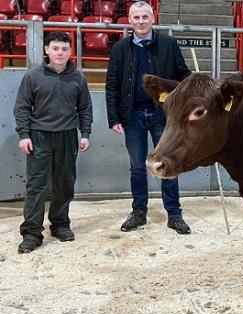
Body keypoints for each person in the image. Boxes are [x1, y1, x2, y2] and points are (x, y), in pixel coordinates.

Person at [106, 1, 192, 234]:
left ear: (152, 18)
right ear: (130, 21)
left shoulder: (169, 44)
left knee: (168, 165)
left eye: (145, 17)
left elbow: (183, 74)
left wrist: (195, 84)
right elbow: (112, 84)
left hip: (162, 116)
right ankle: (138, 212)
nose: (141, 21)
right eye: (136, 18)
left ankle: (174, 215)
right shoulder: (120, 48)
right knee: (137, 167)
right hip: (132, 115)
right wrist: (113, 117)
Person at [13, 32, 93, 254]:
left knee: (64, 184)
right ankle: (31, 233)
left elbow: (85, 108)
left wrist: (85, 133)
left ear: (70, 51)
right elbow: (21, 108)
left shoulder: (78, 78)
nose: (60, 53)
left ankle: (60, 225)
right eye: (56, 48)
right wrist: (24, 135)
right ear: (47, 50)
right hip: (39, 137)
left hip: (67, 136)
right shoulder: (33, 76)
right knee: (37, 186)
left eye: (64, 49)